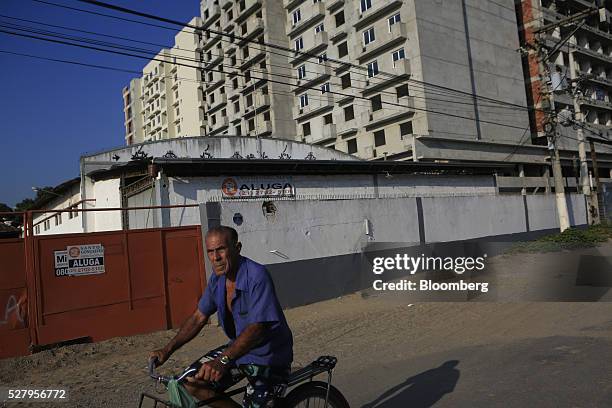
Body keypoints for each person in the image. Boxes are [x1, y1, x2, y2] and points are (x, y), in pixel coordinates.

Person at [150, 226, 293, 407]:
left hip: (269, 357)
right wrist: (167, 350)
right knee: (191, 382)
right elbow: (198, 318)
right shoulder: (217, 279)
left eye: (221, 250)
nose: (215, 258)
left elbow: (257, 328)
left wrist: (224, 360)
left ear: (237, 248)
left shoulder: (257, 276)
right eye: (210, 251)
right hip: (239, 351)